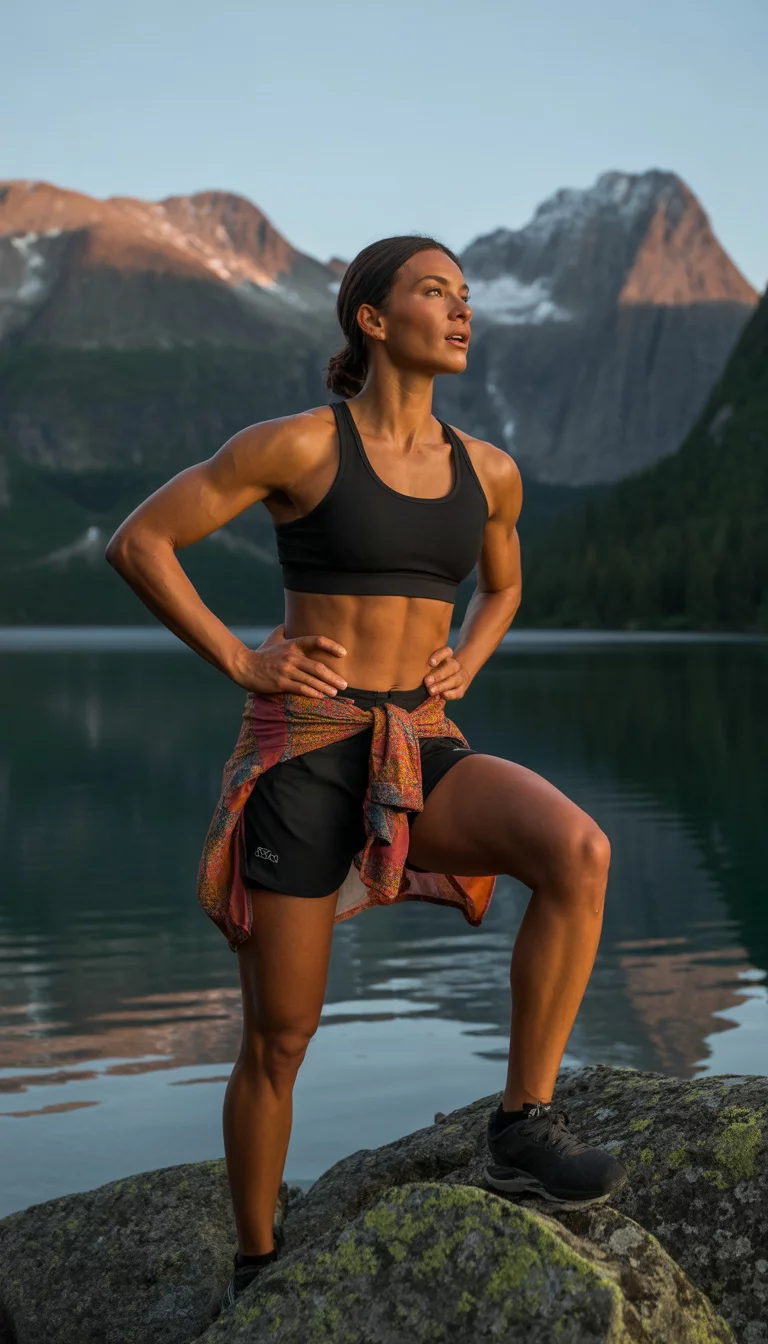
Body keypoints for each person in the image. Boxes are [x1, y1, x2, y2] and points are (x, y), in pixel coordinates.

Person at [105, 234, 626, 1310]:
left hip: (421, 748)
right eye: (436, 290)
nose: (461, 308)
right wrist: (245, 659)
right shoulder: (297, 447)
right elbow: (142, 542)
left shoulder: (489, 470)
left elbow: (504, 588)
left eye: (467, 294)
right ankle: (257, 1265)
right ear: (373, 320)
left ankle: (520, 1125)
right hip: (303, 757)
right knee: (281, 1036)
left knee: (578, 850)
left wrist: (465, 663)